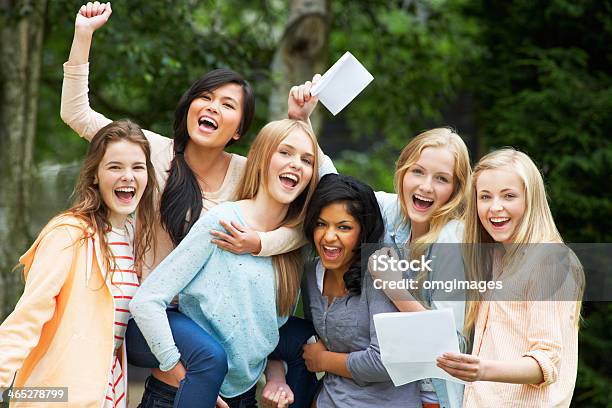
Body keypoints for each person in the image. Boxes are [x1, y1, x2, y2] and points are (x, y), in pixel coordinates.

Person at [61, 3, 331, 406]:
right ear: (188, 107)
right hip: (153, 316)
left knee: (300, 336)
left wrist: (300, 123)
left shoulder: (249, 173)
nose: (211, 107)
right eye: (204, 97)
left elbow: (325, 196)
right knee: (209, 357)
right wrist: (83, 35)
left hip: (209, 320)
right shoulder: (152, 153)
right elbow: (77, 114)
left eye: (227, 104)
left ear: (239, 129)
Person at [130, 119, 326, 408]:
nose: (296, 164)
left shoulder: (292, 247)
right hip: (179, 394)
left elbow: (263, 329)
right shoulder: (222, 223)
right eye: (285, 152)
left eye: (307, 160)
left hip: (241, 398)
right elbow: (146, 301)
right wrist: (177, 368)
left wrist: (276, 377)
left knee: (306, 337)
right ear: (260, 159)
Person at [0, 120, 157, 407]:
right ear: (95, 175)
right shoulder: (69, 234)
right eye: (114, 167)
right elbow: (27, 316)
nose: (128, 176)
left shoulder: (133, 239)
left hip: (108, 394)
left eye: (137, 167)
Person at [436, 148, 583, 408]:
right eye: (485, 197)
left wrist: (481, 369)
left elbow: (546, 363)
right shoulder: (493, 257)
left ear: (530, 199)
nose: (495, 207)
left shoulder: (550, 261)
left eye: (509, 196)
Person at [292, 173, 420, 407]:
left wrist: (324, 360)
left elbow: (387, 361)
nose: (329, 237)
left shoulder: (380, 273)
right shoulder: (311, 273)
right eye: (321, 224)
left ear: (363, 231)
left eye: (344, 227)